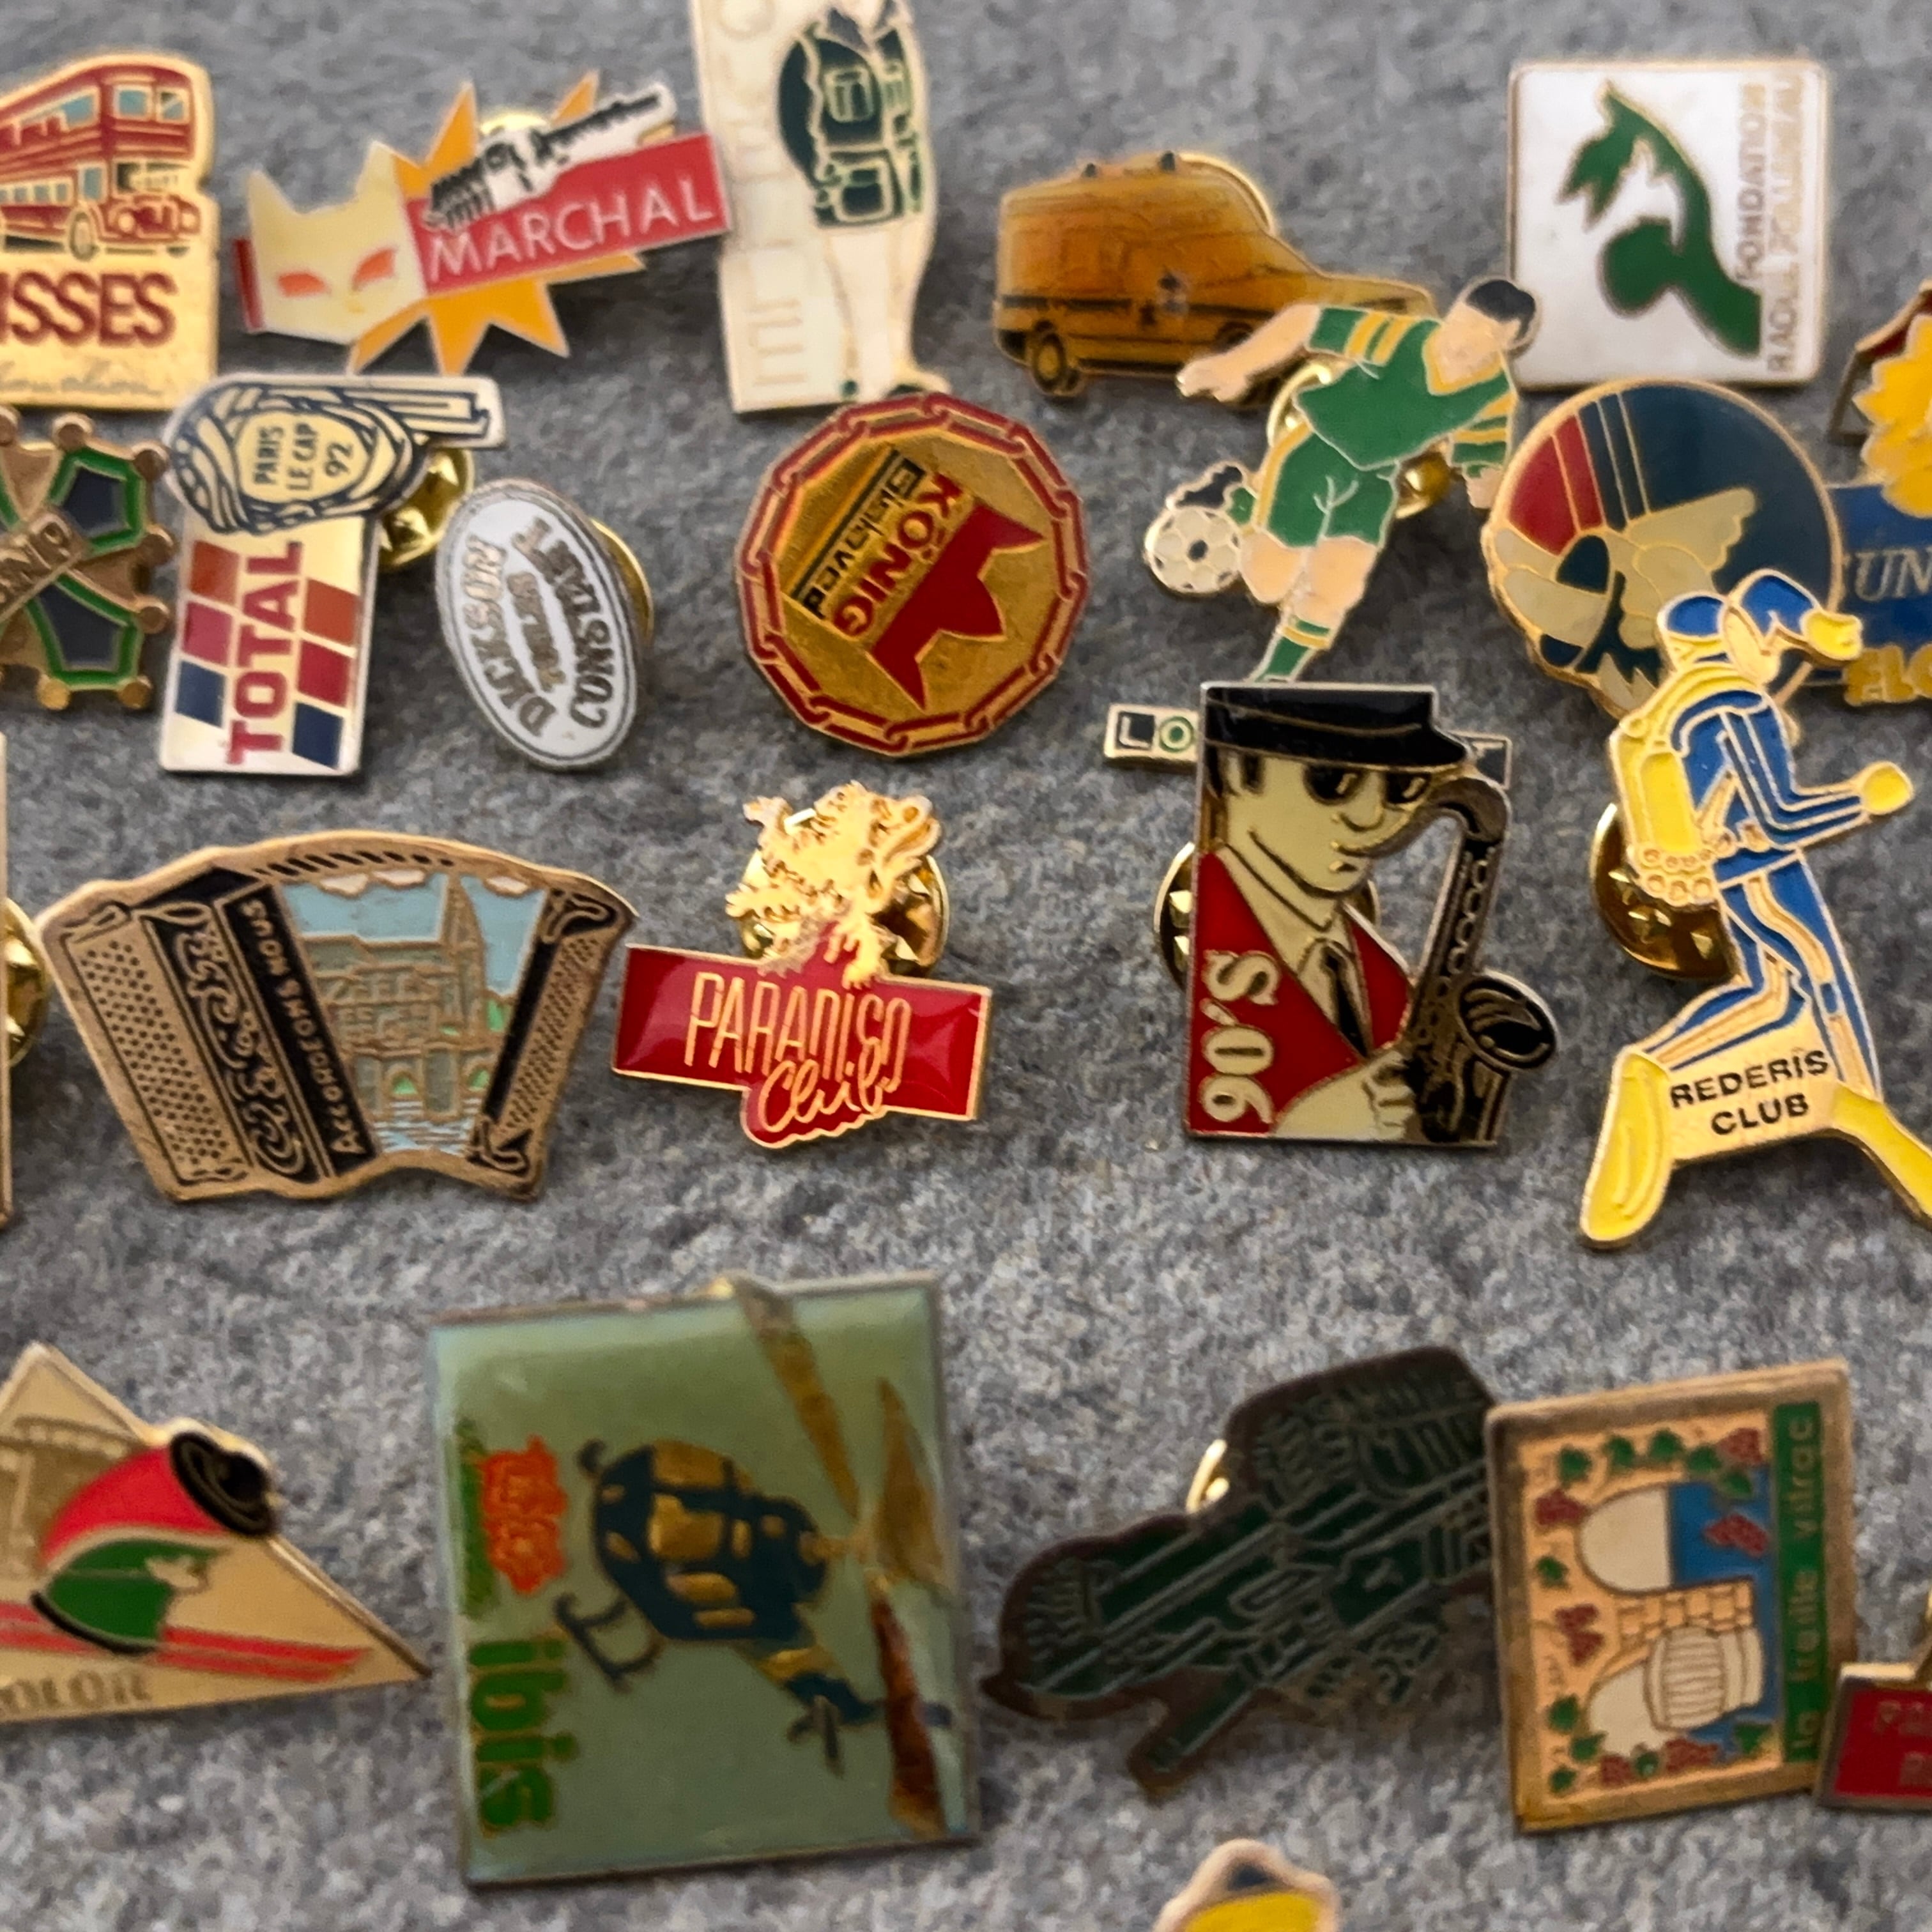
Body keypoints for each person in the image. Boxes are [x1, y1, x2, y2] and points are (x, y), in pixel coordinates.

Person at [1584, 570, 1932, 1243]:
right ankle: (1657, 1077)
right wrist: (1861, 799)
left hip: (1739, 887)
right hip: (1772, 886)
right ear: (1740, 636)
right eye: (1777, 639)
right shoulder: (1740, 707)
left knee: (1795, 1002)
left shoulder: (1670, 713)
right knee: (1808, 996)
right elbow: (1778, 819)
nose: (1779, 657)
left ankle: (1874, 1127)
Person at [1177, 279, 1538, 678]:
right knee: (1269, 584)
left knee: (1338, 584)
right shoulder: (1404, 337)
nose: (1465, 342)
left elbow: (1485, 472)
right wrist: (1234, 365)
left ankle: (1274, 678)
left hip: (1375, 481)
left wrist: (1500, 507)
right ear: (1453, 313)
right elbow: (1307, 322)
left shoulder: (1493, 395)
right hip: (1317, 452)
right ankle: (1239, 504)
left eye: (1487, 337)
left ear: (1506, 346)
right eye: (1464, 323)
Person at [1186, 684, 1469, 1140]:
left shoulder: (1388, 981)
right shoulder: (1217, 923)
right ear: (1236, 769)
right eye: (1331, 781)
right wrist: (1300, 1125)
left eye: (1401, 787)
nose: (1372, 818)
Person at [776, 0, 948, 400]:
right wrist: (823, 176)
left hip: (908, 188)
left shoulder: (898, 34)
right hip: (852, 195)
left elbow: (916, 112)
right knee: (866, 293)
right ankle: (875, 386)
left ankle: (897, 365)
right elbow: (794, 125)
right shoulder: (809, 48)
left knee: (901, 284)